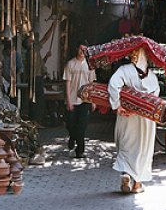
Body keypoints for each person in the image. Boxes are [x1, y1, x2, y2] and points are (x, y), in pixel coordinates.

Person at [108, 47, 159, 194]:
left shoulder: (124, 70)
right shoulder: (153, 77)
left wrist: (117, 105)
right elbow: (155, 98)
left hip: (126, 115)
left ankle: (125, 173)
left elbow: (113, 84)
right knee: (143, 148)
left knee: (126, 144)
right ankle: (137, 183)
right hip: (146, 120)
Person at [63, 42, 96, 158]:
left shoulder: (90, 65)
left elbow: (92, 84)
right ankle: (72, 137)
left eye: (85, 50)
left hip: (85, 99)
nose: (82, 52)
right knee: (70, 124)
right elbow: (67, 83)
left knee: (82, 126)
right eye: (81, 49)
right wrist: (68, 100)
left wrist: (93, 101)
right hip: (72, 98)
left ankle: (80, 150)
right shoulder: (70, 64)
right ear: (77, 49)